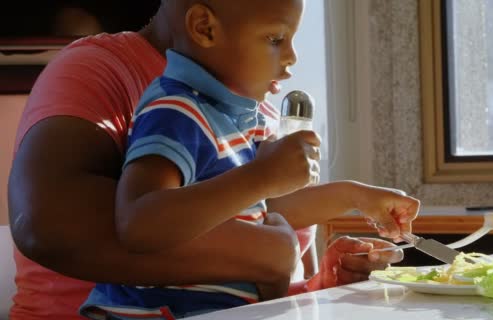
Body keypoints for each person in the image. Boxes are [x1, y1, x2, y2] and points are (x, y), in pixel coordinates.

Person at [7, 0, 419, 319]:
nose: (292, 58)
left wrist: (315, 284)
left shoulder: (250, 112)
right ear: (203, 26)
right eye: (276, 38)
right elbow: (47, 225)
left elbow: (257, 230)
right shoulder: (160, 100)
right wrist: (268, 251)